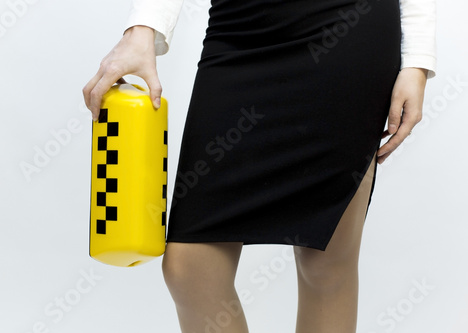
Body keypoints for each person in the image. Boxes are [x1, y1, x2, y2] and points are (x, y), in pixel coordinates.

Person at [83, 0, 436, 332]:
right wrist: (142, 28)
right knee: (188, 268)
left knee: (325, 265)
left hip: (346, 28)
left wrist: (417, 61)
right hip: (239, 34)